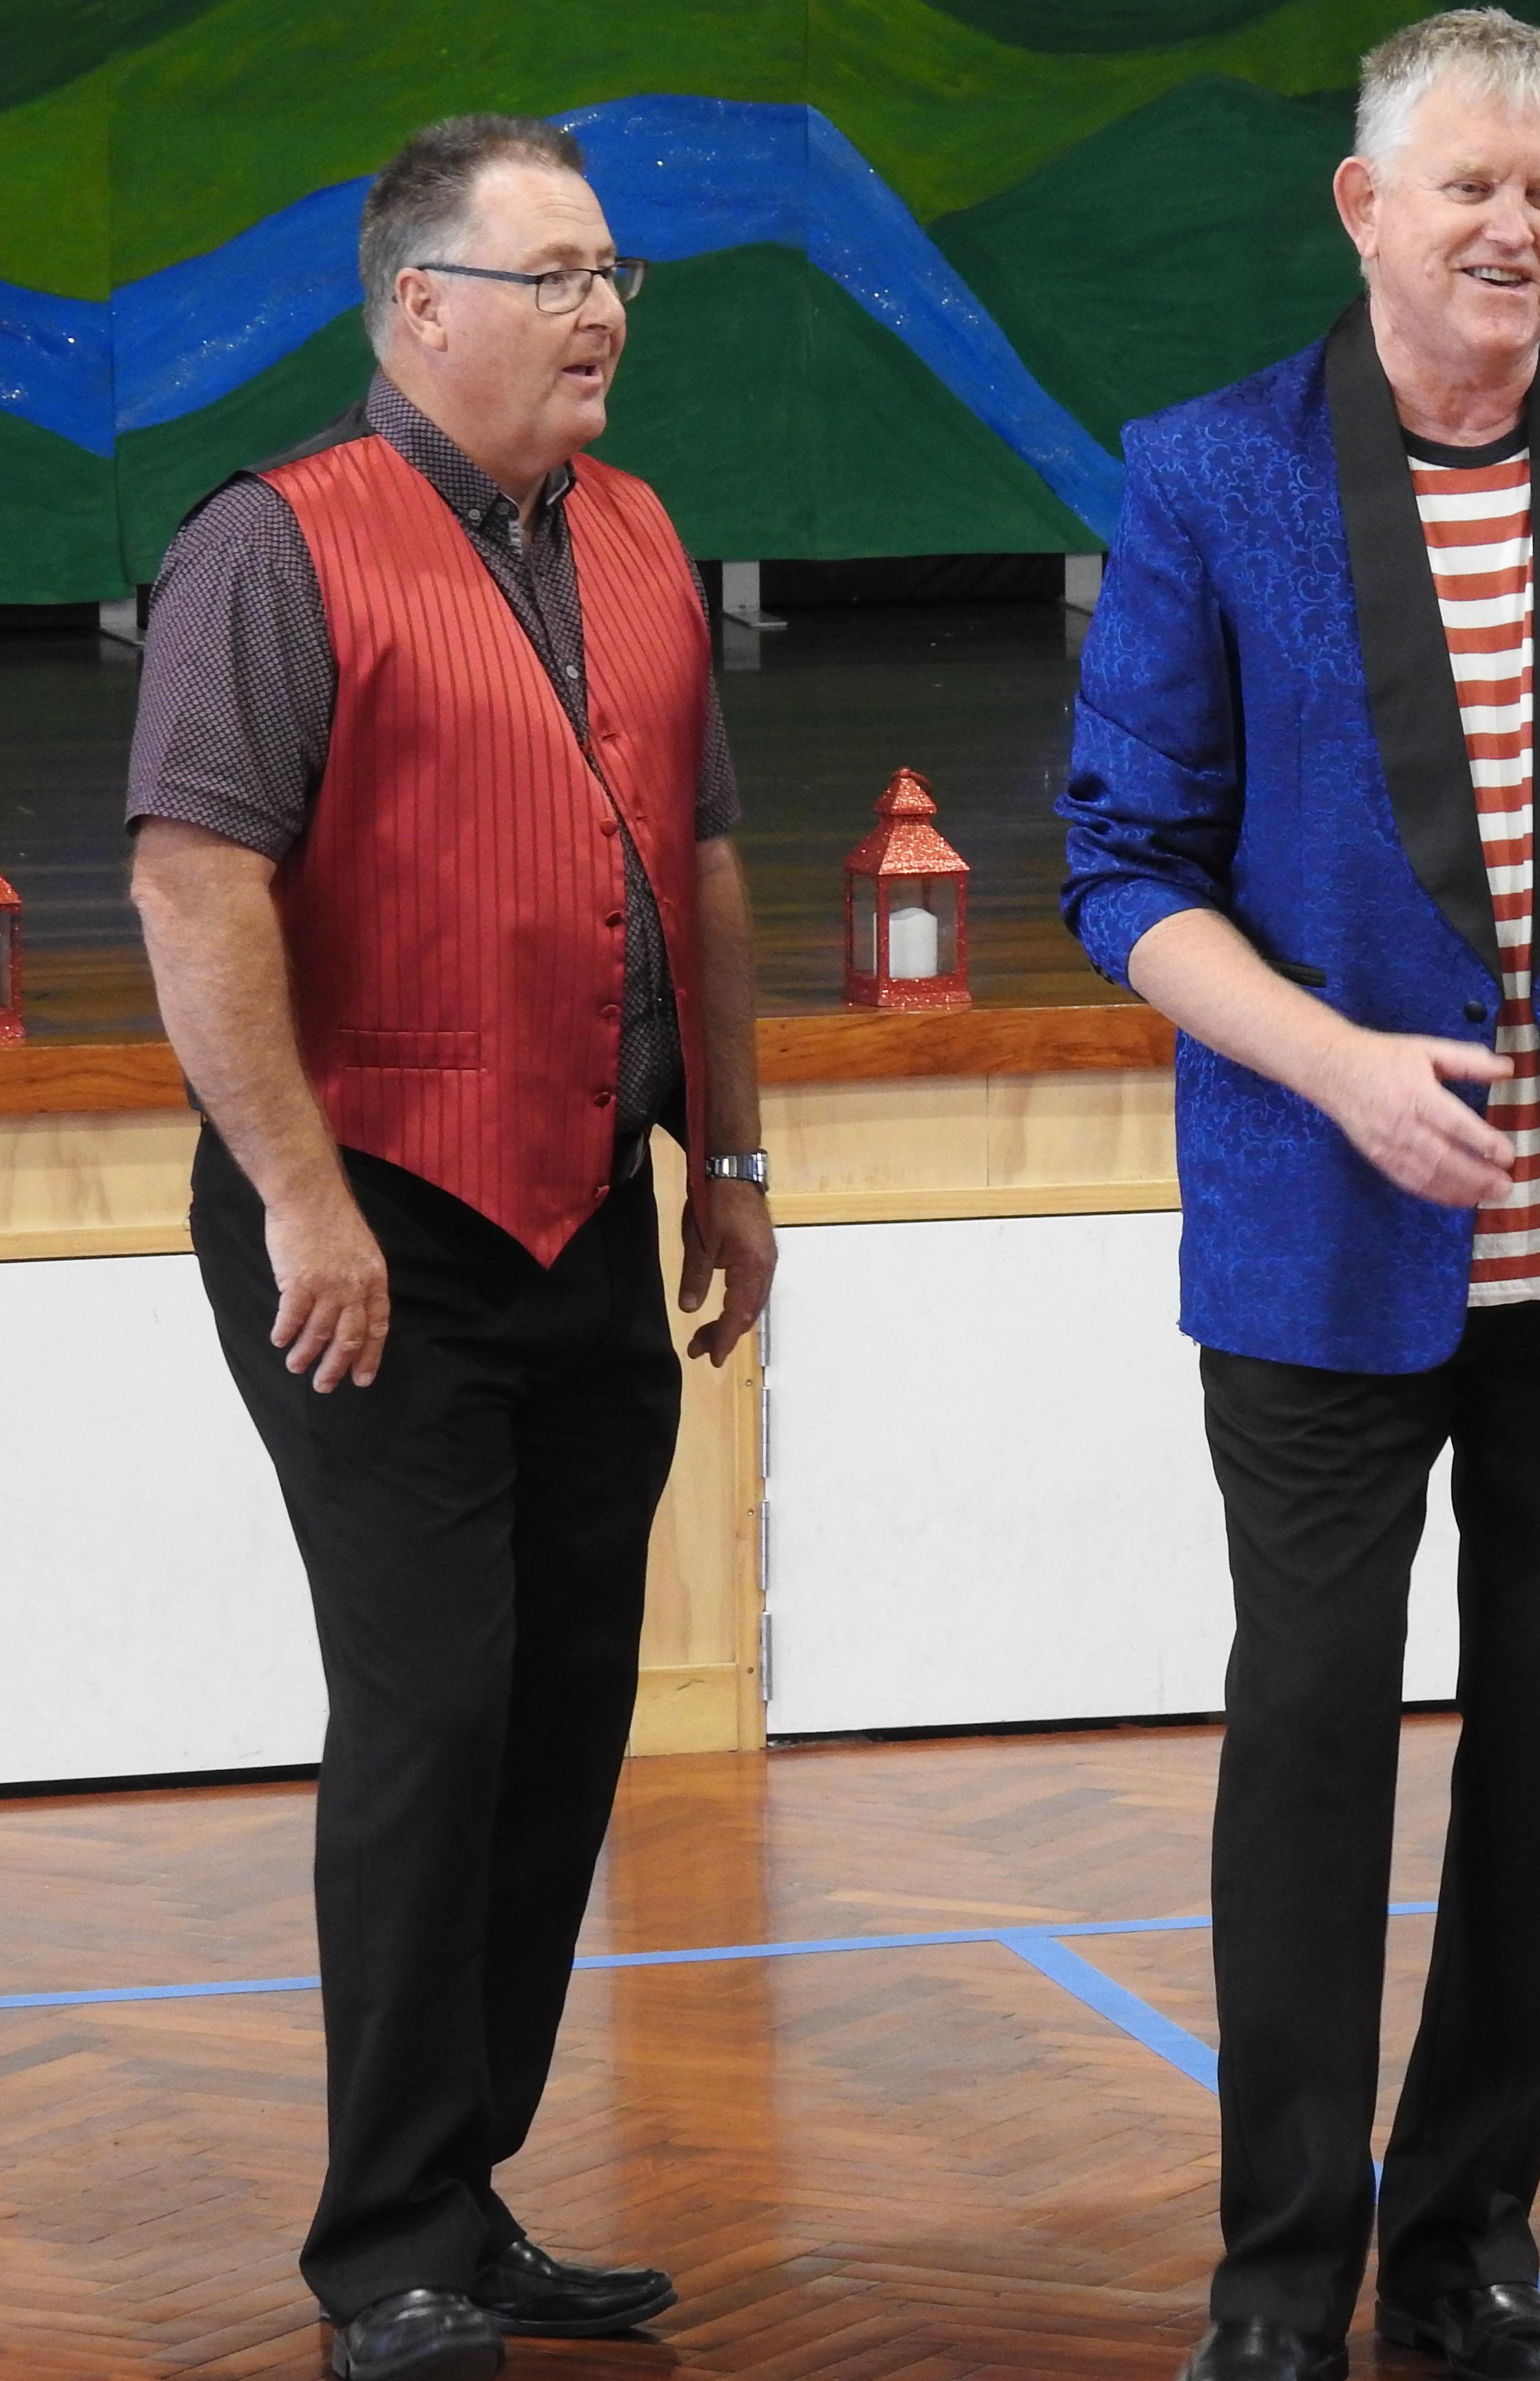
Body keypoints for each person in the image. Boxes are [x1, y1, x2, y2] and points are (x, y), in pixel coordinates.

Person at [1058, 13, 1540, 2379]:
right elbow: (1125, 869)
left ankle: (1471, 2238)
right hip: (1321, 1233)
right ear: (1366, 207)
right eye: (1472, 185)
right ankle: (1282, 2277)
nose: (1515, 227)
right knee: (1308, 1745)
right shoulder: (1210, 472)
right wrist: (1334, 1069)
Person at [125, 114, 774, 2381]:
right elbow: (191, 882)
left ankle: (463, 2197)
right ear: (420, 305)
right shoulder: (272, 547)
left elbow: (701, 864)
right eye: (556, 276)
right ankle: (385, 2247)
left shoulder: (643, 531)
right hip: (365, 1224)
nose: (604, 313)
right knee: (433, 1708)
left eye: (614, 276)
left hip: (589, 1208)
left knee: (564, 1712)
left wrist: (733, 1158)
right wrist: (305, 1200)